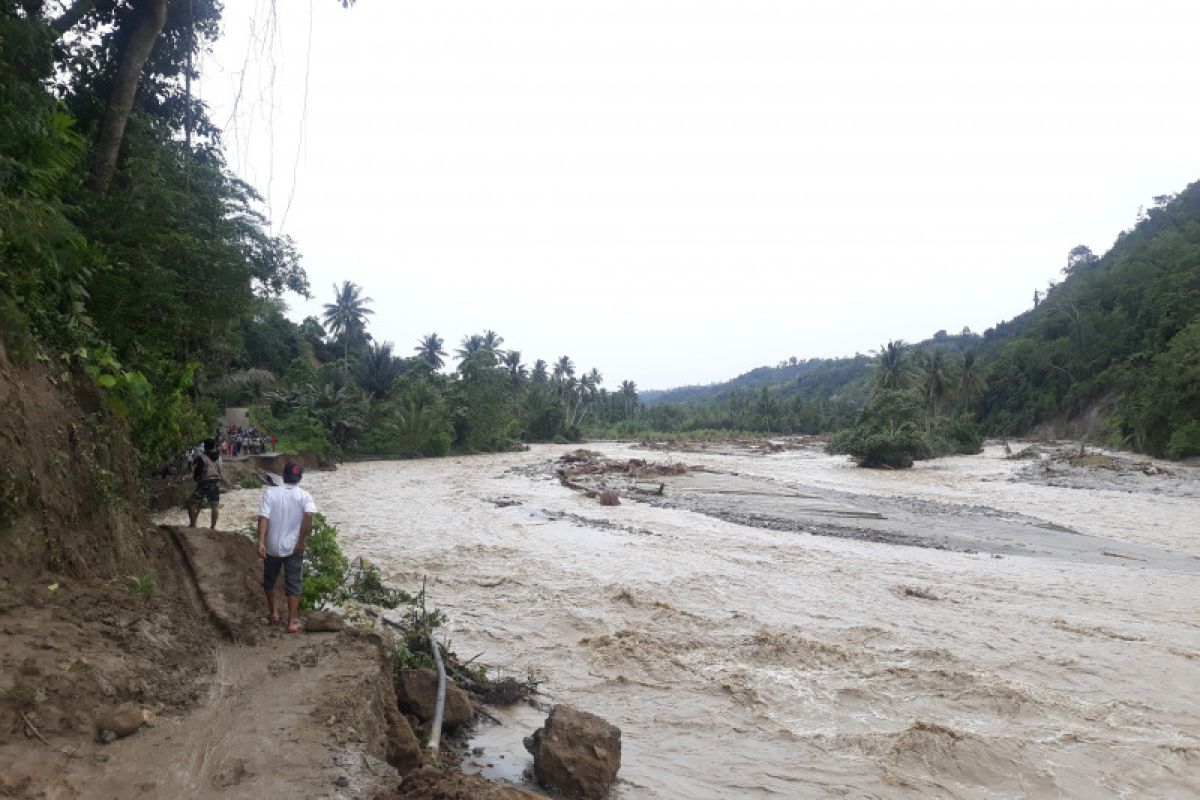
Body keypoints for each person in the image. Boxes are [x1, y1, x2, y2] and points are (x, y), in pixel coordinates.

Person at [257, 463, 317, 633]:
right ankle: (291, 622)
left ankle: (273, 613)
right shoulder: (305, 496)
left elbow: (263, 518)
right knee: (294, 584)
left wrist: (261, 542)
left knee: (270, 581)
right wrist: (301, 541)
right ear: (300, 478)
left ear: (283, 476)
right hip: (293, 548)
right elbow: (308, 515)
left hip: (272, 547)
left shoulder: (271, 493)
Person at [186, 438, 224, 529]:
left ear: (205, 447)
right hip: (215, 483)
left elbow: (198, 472)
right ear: (214, 446)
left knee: (192, 503)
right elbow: (220, 471)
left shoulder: (202, 457)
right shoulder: (219, 457)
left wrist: (196, 479)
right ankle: (213, 527)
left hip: (204, 482)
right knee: (214, 506)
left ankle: (193, 524)